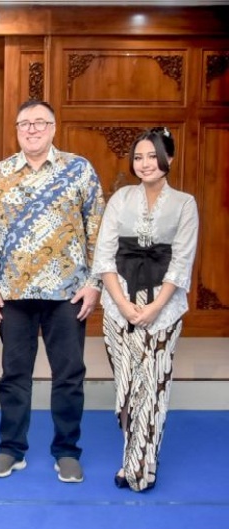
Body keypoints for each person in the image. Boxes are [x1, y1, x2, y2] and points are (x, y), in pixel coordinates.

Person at [0, 100, 105, 483]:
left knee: (69, 374)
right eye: (24, 124)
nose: (32, 129)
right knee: (13, 374)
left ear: (53, 127)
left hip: (67, 292)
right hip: (13, 293)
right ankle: (11, 449)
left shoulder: (79, 169)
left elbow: (98, 228)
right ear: (16, 130)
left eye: (40, 122)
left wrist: (94, 284)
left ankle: (67, 450)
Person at [92, 127, 198, 492]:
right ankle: (132, 455)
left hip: (163, 308)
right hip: (118, 302)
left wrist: (154, 307)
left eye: (153, 156)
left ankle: (140, 466)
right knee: (127, 385)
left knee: (153, 385)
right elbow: (104, 256)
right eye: (139, 157)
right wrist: (123, 304)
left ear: (169, 158)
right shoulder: (121, 198)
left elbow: (181, 261)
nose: (145, 164)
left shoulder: (185, 204)